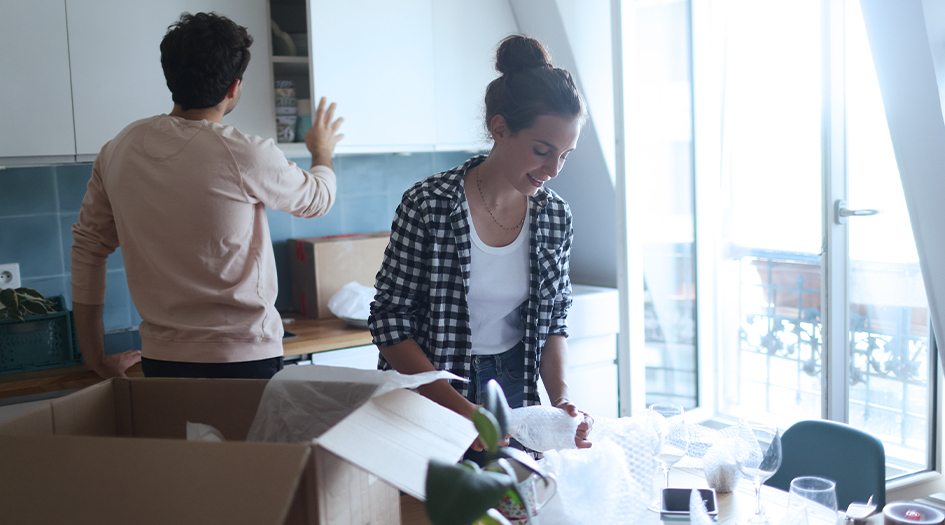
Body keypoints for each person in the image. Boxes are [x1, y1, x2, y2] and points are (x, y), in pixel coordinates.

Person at [71, 12, 344, 380]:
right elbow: (318, 198)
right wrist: (321, 151)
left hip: (163, 361)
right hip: (245, 358)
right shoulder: (245, 152)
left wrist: (96, 358)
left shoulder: (119, 148)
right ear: (234, 87)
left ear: (170, 76)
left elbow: (88, 248)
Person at [369, 34, 592, 450]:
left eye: (565, 154)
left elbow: (554, 321)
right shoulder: (430, 205)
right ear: (500, 128)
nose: (554, 169)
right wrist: (459, 408)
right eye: (543, 150)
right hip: (432, 386)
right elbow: (390, 321)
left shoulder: (555, 216)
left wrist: (561, 400)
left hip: (513, 385)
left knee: (515, 508)